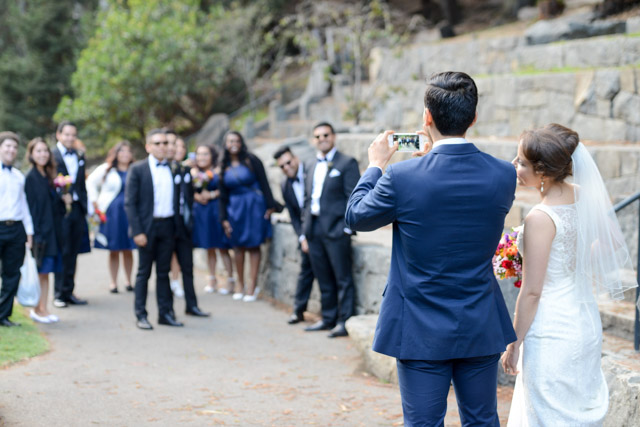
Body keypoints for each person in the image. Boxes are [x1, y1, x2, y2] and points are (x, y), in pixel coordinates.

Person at [345, 71, 517, 425]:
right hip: (479, 319)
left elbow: (356, 217)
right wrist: (430, 159)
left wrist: (376, 165)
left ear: (427, 118)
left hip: (418, 324)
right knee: (482, 420)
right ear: (473, 118)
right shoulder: (503, 174)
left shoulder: (401, 177)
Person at [502, 124, 637, 425]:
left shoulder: (540, 217)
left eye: (522, 161)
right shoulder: (585, 194)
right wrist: (575, 264)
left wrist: (514, 344)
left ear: (544, 174)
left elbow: (533, 292)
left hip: (551, 330)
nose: (514, 165)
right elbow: (613, 241)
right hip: (585, 323)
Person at [300, 122, 360, 338]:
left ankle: (344, 321)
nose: (322, 139)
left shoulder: (347, 162)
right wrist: (305, 231)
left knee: (342, 277)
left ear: (333, 137)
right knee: (322, 276)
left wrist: (346, 228)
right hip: (314, 229)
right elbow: (307, 199)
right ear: (313, 140)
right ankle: (328, 318)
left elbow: (353, 197)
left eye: (326, 135)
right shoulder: (309, 164)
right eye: (317, 136)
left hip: (336, 229)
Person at [125, 129, 182, 330]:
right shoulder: (138, 169)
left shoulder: (174, 168)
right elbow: (130, 203)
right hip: (147, 228)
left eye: (165, 143)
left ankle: (165, 313)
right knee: (144, 273)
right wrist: (137, 231)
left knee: (164, 272)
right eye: (157, 143)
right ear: (148, 147)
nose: (162, 146)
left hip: (168, 226)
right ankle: (141, 314)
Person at [218, 131, 282, 302]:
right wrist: (223, 218)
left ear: (241, 142)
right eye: (230, 140)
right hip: (234, 208)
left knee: (254, 245)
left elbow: (264, 183)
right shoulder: (223, 166)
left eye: (237, 140)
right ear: (225, 144)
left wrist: (269, 206)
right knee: (237, 246)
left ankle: (252, 285)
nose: (234, 143)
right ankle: (240, 283)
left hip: (254, 206)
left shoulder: (252, 160)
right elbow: (222, 195)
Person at [166, 137, 210, 318]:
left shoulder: (187, 170)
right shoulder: (165, 169)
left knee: (188, 266)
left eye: (182, 146)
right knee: (163, 269)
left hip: (185, 223)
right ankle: (166, 310)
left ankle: (192, 305)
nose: (178, 149)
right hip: (168, 224)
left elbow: (192, 195)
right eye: (175, 146)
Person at [24, 138, 66, 324]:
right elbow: (31, 209)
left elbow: (56, 207)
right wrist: (33, 234)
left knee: (47, 272)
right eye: (38, 151)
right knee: (40, 271)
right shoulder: (30, 178)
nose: (42, 154)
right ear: (31, 154)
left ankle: (44, 308)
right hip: (41, 233)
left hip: (53, 232)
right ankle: (36, 308)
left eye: (45, 151)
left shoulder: (49, 176)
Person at [86, 141, 136, 293]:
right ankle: (113, 282)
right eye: (122, 151)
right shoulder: (106, 169)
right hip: (112, 213)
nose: (125, 155)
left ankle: (129, 280)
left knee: (128, 248)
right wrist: (94, 201)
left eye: (128, 151)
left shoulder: (135, 169)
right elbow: (90, 182)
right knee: (114, 248)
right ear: (116, 153)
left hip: (129, 213)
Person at [273, 146, 316, 324]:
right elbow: (293, 215)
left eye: (288, 162)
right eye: (282, 166)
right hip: (305, 235)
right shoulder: (284, 184)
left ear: (296, 159)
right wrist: (302, 237)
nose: (286, 167)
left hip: (321, 231)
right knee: (305, 272)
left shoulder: (311, 173)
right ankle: (298, 310)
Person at [51, 121, 88, 308]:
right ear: (59, 135)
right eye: (66, 134)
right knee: (62, 251)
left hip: (77, 209)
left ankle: (69, 291)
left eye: (73, 135)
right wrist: (60, 196)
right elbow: (48, 183)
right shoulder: (51, 155)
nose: (70, 138)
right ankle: (58, 293)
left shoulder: (80, 155)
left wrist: (85, 207)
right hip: (60, 211)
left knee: (74, 251)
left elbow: (81, 184)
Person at [0, 132, 34, 327]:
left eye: (14, 147)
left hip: (16, 230)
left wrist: (29, 233)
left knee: (12, 274)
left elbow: (24, 206)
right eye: (7, 146)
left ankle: (3, 315)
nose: (11, 150)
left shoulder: (19, 176)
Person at [191, 144, 234, 294]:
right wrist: (197, 196)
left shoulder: (219, 171)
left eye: (205, 154)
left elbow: (225, 189)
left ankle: (230, 280)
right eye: (199, 154)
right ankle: (212, 279)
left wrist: (212, 194)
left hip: (217, 210)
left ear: (212, 156)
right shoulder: (194, 173)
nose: (202, 157)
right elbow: (190, 191)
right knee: (209, 247)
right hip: (203, 212)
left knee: (222, 247)